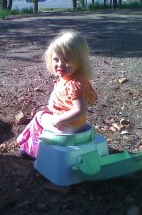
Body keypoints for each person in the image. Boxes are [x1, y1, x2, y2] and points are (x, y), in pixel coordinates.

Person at [16, 29, 97, 158]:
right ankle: (26, 141)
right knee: (42, 115)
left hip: (68, 125)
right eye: (56, 59)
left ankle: (31, 149)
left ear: (79, 61)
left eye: (66, 60)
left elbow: (80, 110)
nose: (60, 64)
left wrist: (59, 119)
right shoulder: (77, 78)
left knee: (38, 117)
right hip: (75, 123)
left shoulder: (73, 84)